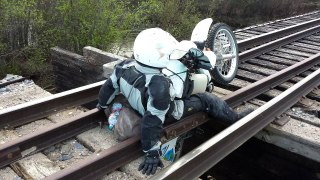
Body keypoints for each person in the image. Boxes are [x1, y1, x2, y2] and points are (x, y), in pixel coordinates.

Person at [97, 28, 253, 176]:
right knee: (207, 99)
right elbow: (152, 120)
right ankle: (236, 119)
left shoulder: (124, 66)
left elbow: (108, 88)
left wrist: (102, 105)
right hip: (169, 111)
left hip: (139, 100)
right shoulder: (159, 86)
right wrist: (151, 151)